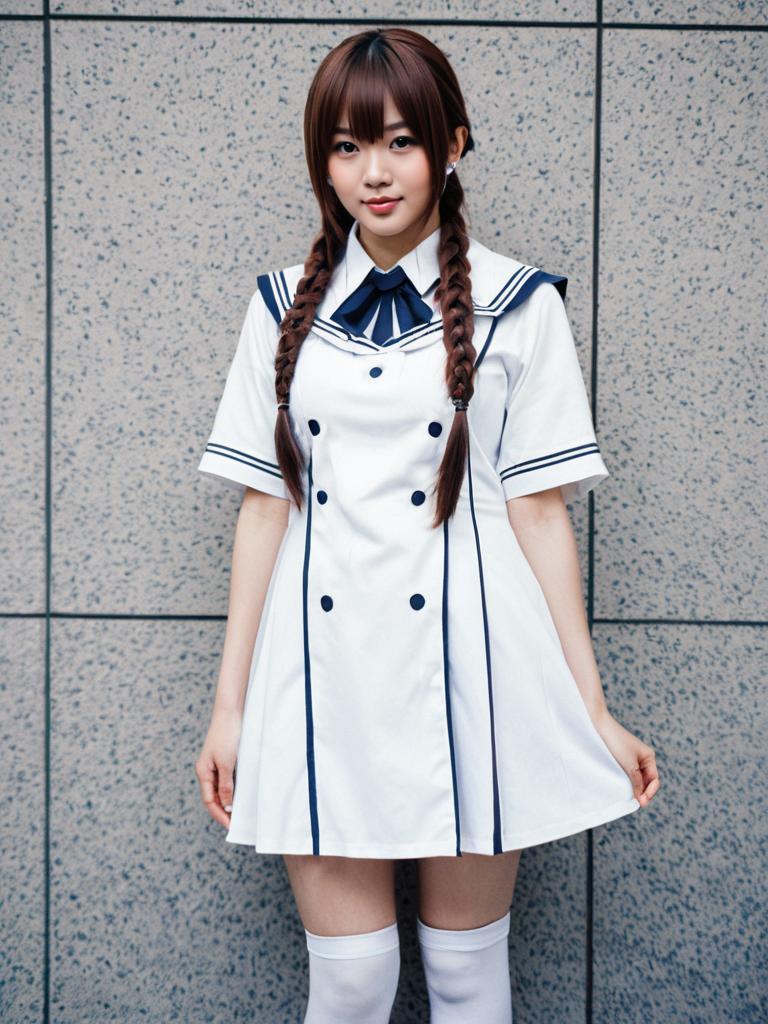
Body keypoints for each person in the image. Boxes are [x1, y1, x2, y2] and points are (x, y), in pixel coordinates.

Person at [194, 26, 660, 1024]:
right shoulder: (280, 305)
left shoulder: (517, 306)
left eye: (400, 141)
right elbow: (264, 508)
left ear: (452, 145)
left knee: (463, 975)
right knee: (355, 981)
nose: (374, 172)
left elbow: (537, 516)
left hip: (477, 674)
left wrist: (591, 704)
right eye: (347, 146)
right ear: (322, 160)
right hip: (318, 671)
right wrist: (230, 707)